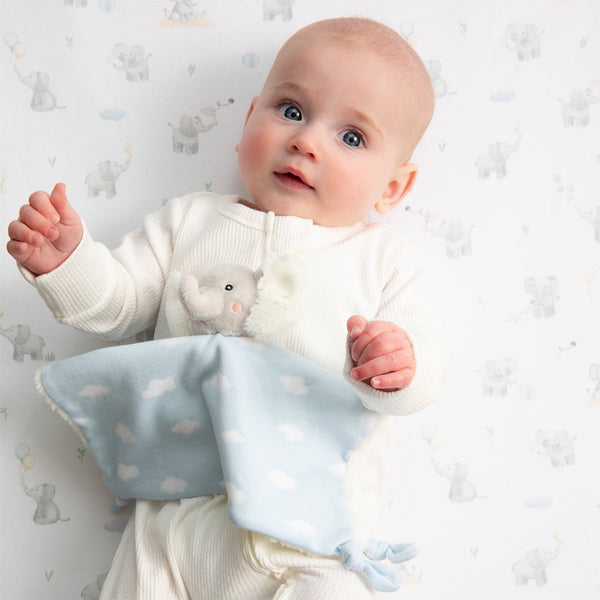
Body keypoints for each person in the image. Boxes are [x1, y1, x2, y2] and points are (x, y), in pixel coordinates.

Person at [7, 17, 451, 600]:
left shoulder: (381, 259)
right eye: (291, 110)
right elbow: (117, 306)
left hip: (312, 535)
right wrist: (67, 263)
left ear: (392, 188)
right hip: (172, 523)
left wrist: (398, 366)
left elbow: (424, 373)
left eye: (352, 138)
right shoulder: (190, 222)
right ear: (247, 122)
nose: (307, 141)